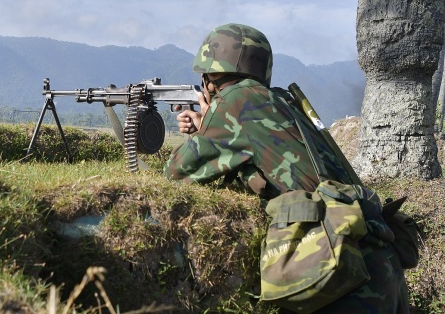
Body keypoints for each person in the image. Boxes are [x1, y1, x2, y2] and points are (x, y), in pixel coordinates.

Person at [163, 23, 410, 313]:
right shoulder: (281, 100)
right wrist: (208, 127)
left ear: (211, 75)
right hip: (378, 262)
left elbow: (175, 174)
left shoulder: (235, 101)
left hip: (339, 270)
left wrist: (208, 123)